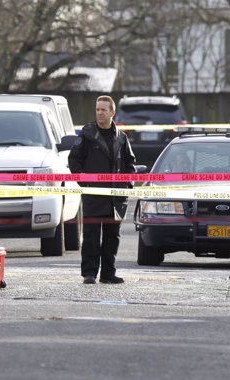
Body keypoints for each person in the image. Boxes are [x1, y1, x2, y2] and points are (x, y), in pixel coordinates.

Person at [68, 95, 136, 285]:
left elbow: (130, 163)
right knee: (90, 237)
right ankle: (89, 274)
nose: (99, 113)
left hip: (115, 197)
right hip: (94, 195)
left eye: (103, 110)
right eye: (97, 109)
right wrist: (86, 184)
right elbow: (74, 161)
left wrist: (127, 185)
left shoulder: (122, 138)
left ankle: (108, 274)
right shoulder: (87, 135)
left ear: (112, 112)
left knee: (112, 238)